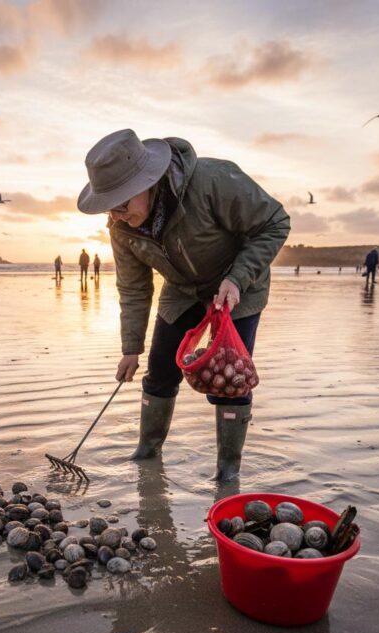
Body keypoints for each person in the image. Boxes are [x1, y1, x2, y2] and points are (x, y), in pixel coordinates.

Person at [77, 128, 290, 481]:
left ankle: (227, 471)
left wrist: (237, 277)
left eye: (121, 204)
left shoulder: (212, 180)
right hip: (182, 292)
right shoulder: (121, 227)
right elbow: (133, 288)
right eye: (109, 207)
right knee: (159, 372)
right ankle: (147, 451)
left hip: (237, 287)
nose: (115, 215)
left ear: (147, 183)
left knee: (229, 379)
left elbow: (274, 223)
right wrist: (131, 348)